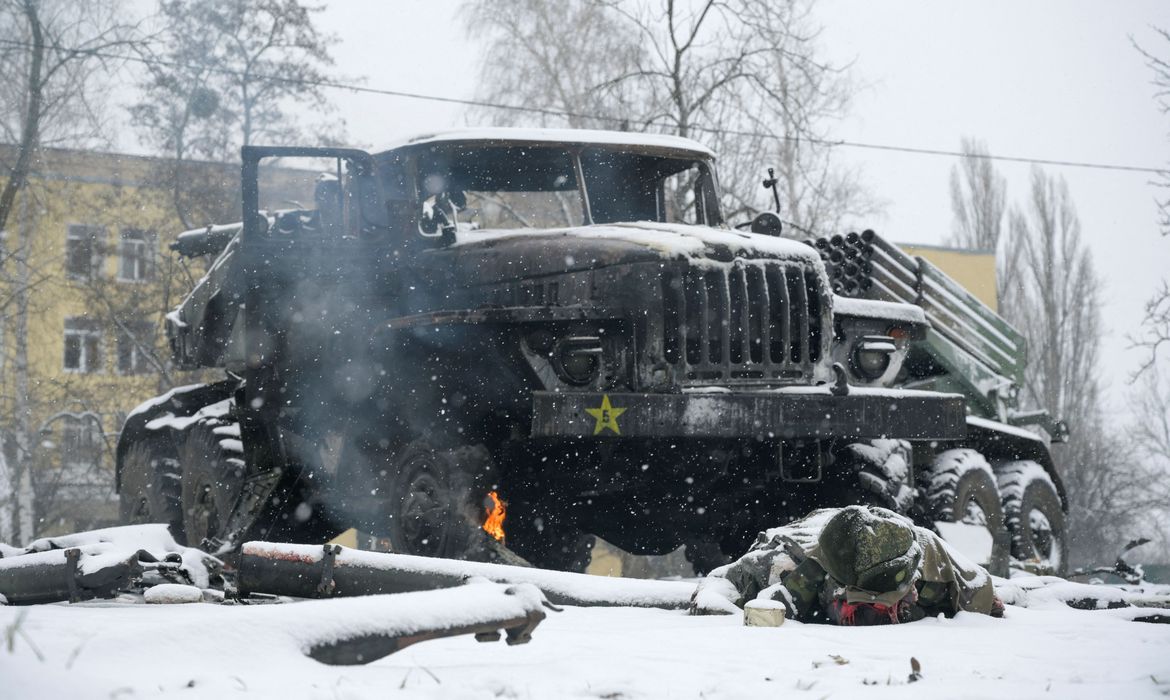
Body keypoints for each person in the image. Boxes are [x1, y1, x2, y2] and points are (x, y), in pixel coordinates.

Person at [690, 505, 1004, 624]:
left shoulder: (937, 565)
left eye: (887, 609)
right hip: (810, 529)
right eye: (856, 611)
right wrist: (721, 608)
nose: (868, 618)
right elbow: (721, 582)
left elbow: (984, 595)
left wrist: (990, 605)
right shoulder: (792, 567)